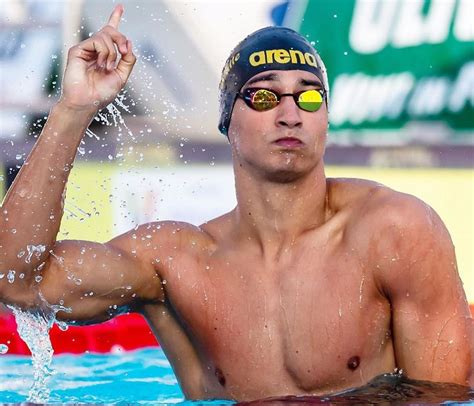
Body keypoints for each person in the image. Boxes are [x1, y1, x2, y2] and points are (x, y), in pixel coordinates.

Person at [0, 5, 472, 401]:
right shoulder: (175, 263)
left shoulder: (394, 231)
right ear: (228, 120)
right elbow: (18, 282)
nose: (291, 114)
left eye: (310, 98)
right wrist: (73, 110)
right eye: (264, 95)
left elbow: (446, 394)